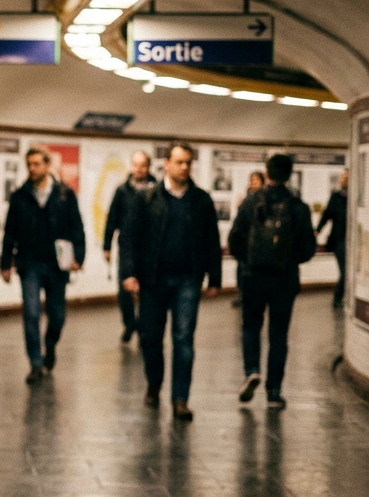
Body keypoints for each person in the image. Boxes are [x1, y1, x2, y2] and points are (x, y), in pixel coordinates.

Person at [120, 142, 222, 420]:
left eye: (188, 162)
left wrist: (214, 277)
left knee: (183, 338)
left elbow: (212, 239)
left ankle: (180, 399)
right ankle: (154, 383)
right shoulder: (146, 198)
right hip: (153, 279)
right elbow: (129, 237)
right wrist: (129, 273)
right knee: (151, 338)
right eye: (179, 162)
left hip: (188, 279)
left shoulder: (201, 200)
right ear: (166, 165)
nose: (185, 167)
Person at [229, 155, 317, 409]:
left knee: (250, 326)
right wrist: (288, 260)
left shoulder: (250, 202)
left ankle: (252, 370)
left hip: (253, 277)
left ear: (266, 173)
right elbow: (308, 249)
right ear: (289, 175)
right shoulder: (298, 207)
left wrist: (249, 261)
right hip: (284, 279)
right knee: (279, 334)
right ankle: (274, 392)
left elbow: (235, 240)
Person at [0, 148, 86, 383]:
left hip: (58, 264)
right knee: (31, 313)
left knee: (57, 316)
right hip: (30, 264)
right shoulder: (20, 196)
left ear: (48, 166)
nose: (32, 168)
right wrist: (6, 263)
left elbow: (77, 227)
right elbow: (10, 231)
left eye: (37, 164)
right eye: (29, 164)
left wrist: (79, 256)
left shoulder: (64, 194)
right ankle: (36, 363)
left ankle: (50, 343)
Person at [103, 151, 156, 343]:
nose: (138, 169)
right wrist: (107, 246)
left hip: (149, 250)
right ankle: (130, 323)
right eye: (135, 165)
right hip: (127, 248)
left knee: (146, 293)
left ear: (148, 167)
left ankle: (143, 327)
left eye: (142, 165)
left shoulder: (156, 190)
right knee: (124, 291)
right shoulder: (122, 190)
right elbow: (112, 218)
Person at [234, 170, 267, 307]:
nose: (253, 183)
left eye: (256, 180)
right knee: (241, 269)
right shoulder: (248, 197)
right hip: (245, 240)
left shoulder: (264, 199)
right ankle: (242, 293)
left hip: (258, 241)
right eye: (252, 180)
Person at [319, 170, 350, 308]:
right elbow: (327, 214)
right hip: (339, 239)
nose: (343, 180)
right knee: (345, 270)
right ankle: (338, 297)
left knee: (347, 271)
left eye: (346, 177)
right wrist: (318, 229)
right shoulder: (336, 197)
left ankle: (342, 297)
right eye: (343, 177)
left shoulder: (355, 197)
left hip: (353, 240)